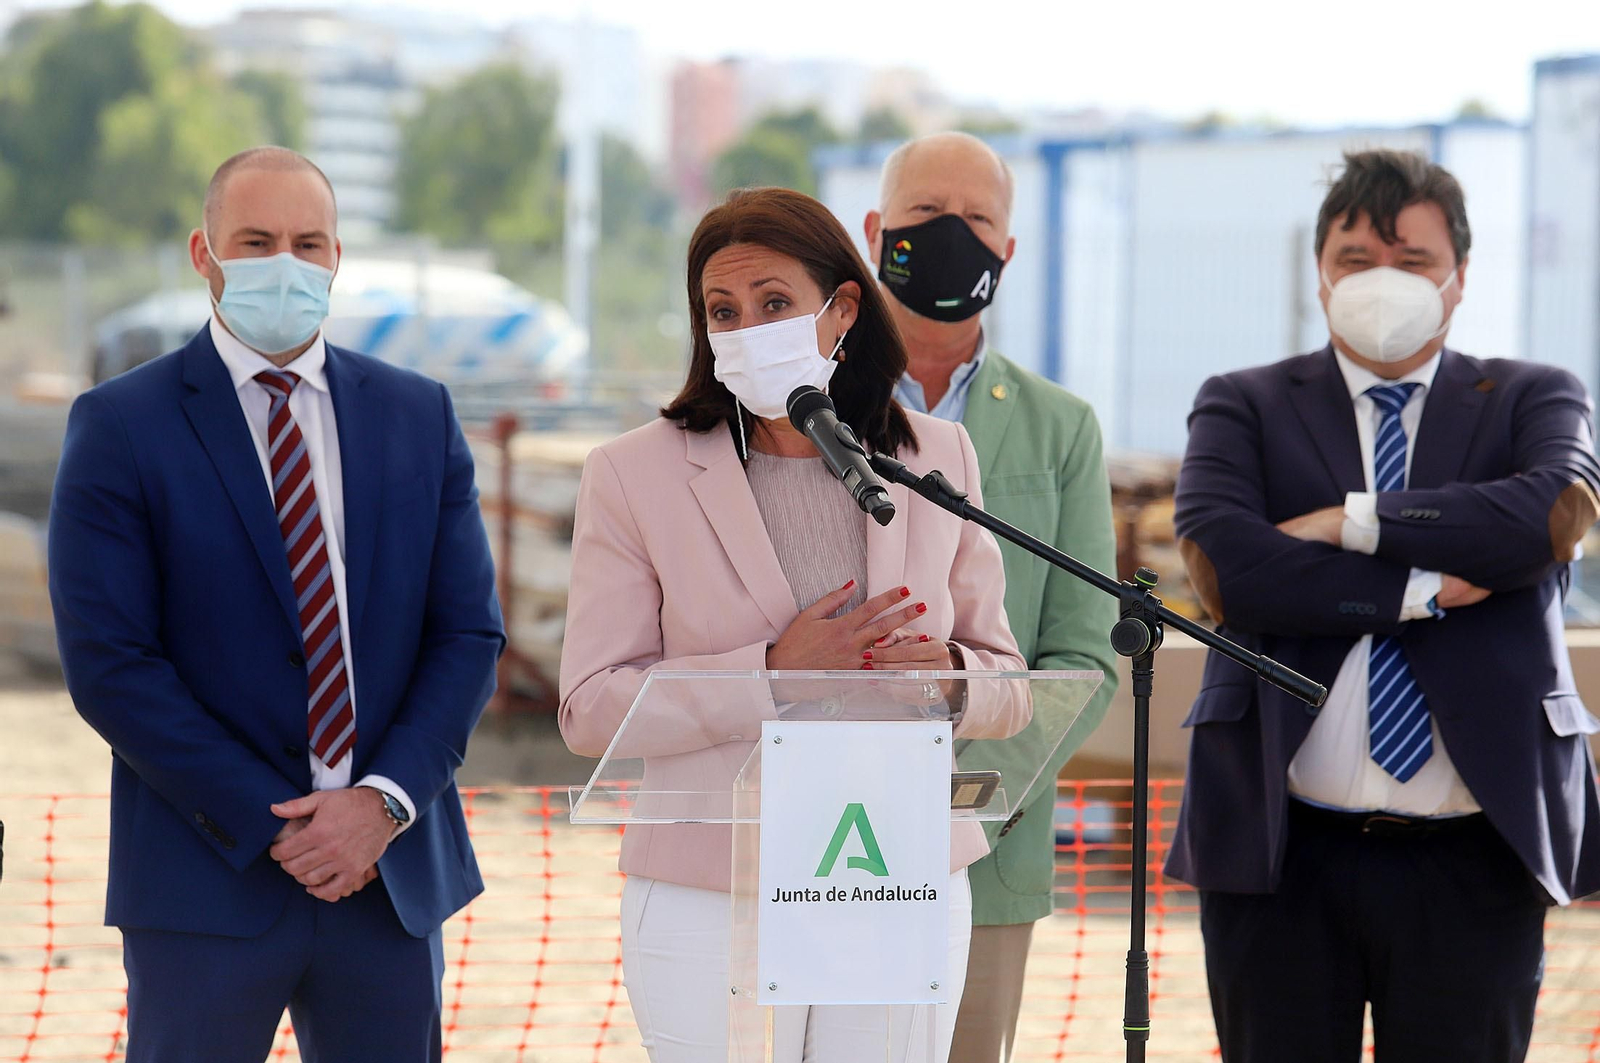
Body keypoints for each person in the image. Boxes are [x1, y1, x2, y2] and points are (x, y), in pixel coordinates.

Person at [48, 146, 504, 1063]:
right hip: (204, 881)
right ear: (204, 252)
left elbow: (465, 634)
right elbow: (112, 664)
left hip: (386, 879)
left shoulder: (419, 415)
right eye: (255, 242)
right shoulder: (121, 424)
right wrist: (279, 825)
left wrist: (380, 804)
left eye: (307, 243)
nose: (284, 264)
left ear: (336, 257)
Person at [558, 185, 1030, 1062]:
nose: (746, 329)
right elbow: (590, 708)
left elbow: (1009, 681)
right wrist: (772, 671)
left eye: (774, 303)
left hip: (898, 870)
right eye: (723, 310)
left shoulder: (936, 456)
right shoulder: (632, 474)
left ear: (842, 309)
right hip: (711, 884)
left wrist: (952, 676)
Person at [1166, 148, 1600, 1063]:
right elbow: (1227, 566)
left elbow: (1550, 517)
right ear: (1320, 274)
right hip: (1282, 851)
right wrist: (1419, 590)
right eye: (1356, 259)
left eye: (1413, 260)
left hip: (1477, 852)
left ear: (1460, 276)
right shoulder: (1244, 402)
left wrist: (1352, 521)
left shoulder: (1534, 394)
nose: (1382, 282)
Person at [864, 130, 1119, 1063]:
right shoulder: (803, 407)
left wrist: (960, 809)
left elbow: (1084, 657)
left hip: (989, 848)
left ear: (1008, 249)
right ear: (876, 231)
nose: (953, 234)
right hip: (816, 828)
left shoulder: (1062, 428)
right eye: (928, 212)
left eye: (977, 218)